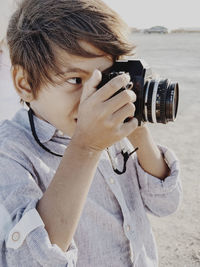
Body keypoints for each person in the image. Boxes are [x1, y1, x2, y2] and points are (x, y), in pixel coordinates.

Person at [0, 0, 182, 266]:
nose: (94, 97)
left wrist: (137, 129)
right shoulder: (11, 152)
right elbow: (28, 259)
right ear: (24, 83)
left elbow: (166, 203)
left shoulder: (114, 133)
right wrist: (86, 146)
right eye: (76, 80)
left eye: (105, 79)